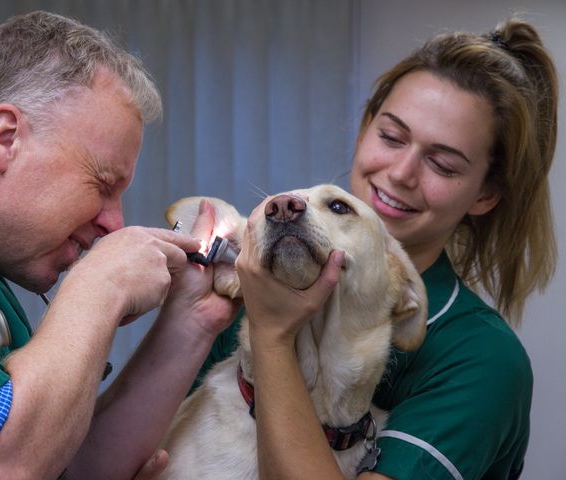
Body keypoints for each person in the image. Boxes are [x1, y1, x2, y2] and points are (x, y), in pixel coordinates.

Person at [0, 11, 237, 480]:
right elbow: (1, 467)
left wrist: (192, 321)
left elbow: (65, 466)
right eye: (103, 183)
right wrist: (100, 285)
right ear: (6, 138)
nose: (114, 223)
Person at [201, 16, 558, 479]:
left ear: (485, 194)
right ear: (364, 128)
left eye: (443, 164)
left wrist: (271, 337)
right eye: (390, 136)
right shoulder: (261, 272)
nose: (401, 173)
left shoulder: (482, 360)